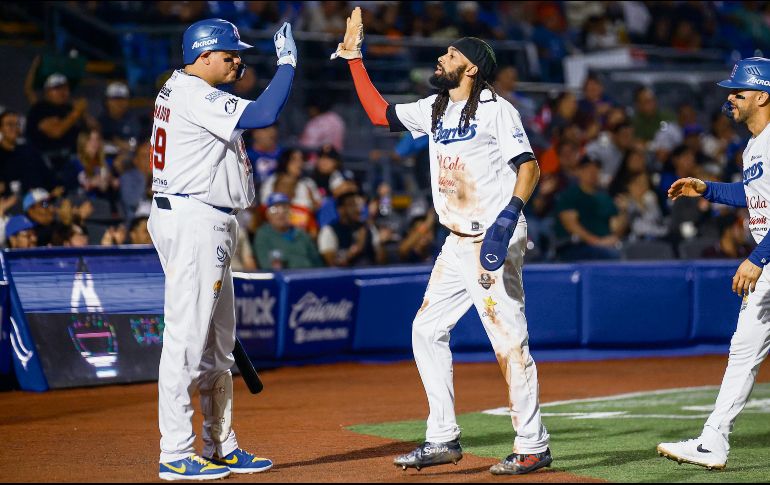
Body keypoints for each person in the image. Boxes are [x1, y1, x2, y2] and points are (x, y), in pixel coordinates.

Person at [332, 8, 551, 474]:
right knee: (425, 330)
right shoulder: (435, 108)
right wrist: (354, 58)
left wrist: (508, 218)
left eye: (452, 53)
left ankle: (533, 444)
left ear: (470, 68)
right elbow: (377, 113)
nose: (442, 56)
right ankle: (442, 438)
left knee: (509, 343)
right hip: (456, 242)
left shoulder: (497, 109)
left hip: (493, 236)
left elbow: (529, 166)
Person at [147, 18, 296, 480]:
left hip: (200, 217)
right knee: (186, 343)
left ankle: (219, 444)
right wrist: (288, 63)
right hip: (194, 218)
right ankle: (176, 451)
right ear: (203, 55)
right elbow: (264, 114)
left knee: (216, 347)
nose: (238, 60)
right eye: (230, 54)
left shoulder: (181, 87)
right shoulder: (193, 92)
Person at [657, 57, 770, 470]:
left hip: (767, 257)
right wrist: (707, 189)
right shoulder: (756, 144)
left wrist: (758, 257)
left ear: (763, 95)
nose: (731, 98)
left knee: (743, 350)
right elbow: (753, 195)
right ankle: (713, 441)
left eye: (739, 91)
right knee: (743, 350)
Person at [554, 155, 627, 261]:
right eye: (587, 168)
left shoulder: (605, 197)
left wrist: (624, 212)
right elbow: (571, 225)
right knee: (612, 256)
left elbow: (615, 228)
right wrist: (597, 242)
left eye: (596, 168)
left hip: (605, 246)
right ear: (579, 171)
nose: (592, 172)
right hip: (575, 247)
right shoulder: (570, 195)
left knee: (632, 252)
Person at [253, 193, 322, 269]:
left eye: (285, 208)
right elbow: (266, 265)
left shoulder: (301, 233)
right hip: (284, 278)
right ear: (267, 215)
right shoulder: (263, 234)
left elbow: (317, 262)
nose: (281, 213)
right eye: (275, 209)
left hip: (309, 276)